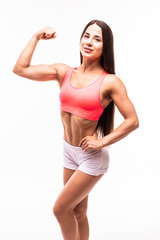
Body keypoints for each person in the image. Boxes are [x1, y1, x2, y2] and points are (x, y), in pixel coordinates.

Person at [13, 19, 139, 240]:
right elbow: (20, 69)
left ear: (105, 47)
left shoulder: (110, 82)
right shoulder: (64, 72)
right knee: (78, 211)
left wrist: (102, 141)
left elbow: (132, 121)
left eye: (97, 39)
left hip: (91, 156)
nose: (89, 42)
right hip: (69, 151)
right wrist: (35, 37)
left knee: (60, 209)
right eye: (86, 36)